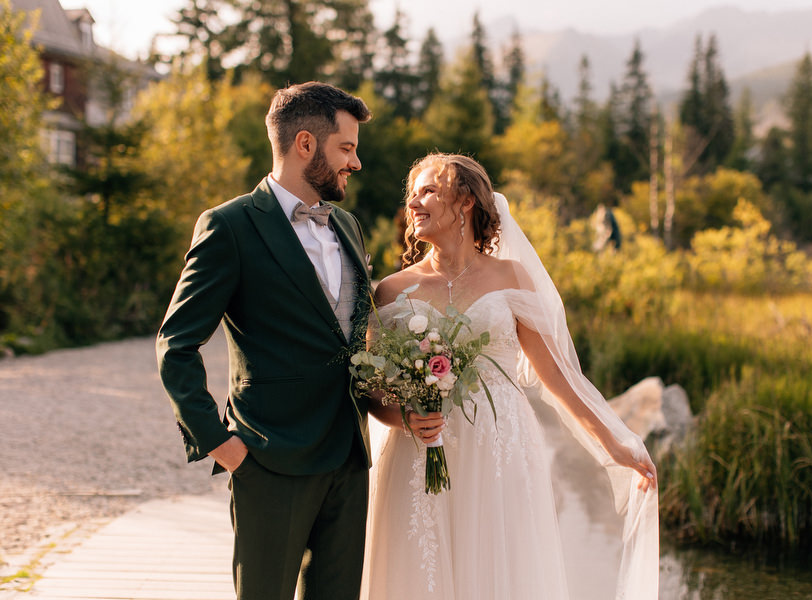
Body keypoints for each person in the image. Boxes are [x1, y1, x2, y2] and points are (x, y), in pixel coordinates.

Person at [361, 153, 659, 599]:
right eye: (411, 195)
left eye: (428, 191)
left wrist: (614, 442)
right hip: (419, 451)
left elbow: (558, 377)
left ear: (465, 202)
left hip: (498, 449)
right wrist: (403, 417)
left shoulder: (511, 277)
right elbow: (369, 386)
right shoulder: (391, 289)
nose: (413, 205)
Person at [156, 81, 373, 600]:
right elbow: (176, 346)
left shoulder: (348, 226)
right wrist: (220, 444)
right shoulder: (229, 227)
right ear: (305, 144)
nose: (356, 162)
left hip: (348, 457)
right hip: (270, 461)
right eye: (346, 147)